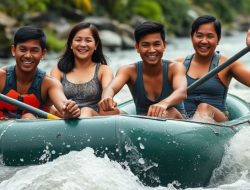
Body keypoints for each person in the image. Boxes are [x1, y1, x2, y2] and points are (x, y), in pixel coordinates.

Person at [99, 21, 187, 119]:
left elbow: (181, 91)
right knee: (105, 112)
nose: (152, 50)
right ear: (137, 47)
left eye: (157, 44)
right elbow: (110, 88)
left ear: (164, 46)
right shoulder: (128, 70)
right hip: (142, 125)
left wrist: (163, 104)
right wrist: (107, 97)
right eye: (145, 45)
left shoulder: (175, 68)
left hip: (178, 123)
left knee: (168, 112)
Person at [175, 15, 250, 122]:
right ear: (192, 37)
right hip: (184, 122)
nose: (204, 41)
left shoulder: (228, 64)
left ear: (218, 39)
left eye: (210, 36)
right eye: (199, 36)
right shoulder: (178, 64)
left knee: (204, 107)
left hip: (217, 123)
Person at [0, 26, 80, 119]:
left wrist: (69, 110)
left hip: (32, 128)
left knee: (28, 116)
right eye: (23, 49)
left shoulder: (49, 83)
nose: (28, 55)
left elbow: (63, 105)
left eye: (34, 50)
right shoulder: (1, 76)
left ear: (43, 54)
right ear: (13, 50)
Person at [50, 22, 119, 117]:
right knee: (51, 108)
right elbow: (53, 97)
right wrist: (66, 109)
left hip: (95, 118)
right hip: (66, 115)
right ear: (71, 44)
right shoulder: (58, 69)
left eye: (88, 40)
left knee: (86, 111)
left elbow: (107, 92)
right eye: (78, 40)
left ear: (96, 45)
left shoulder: (103, 70)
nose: (83, 44)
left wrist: (107, 100)